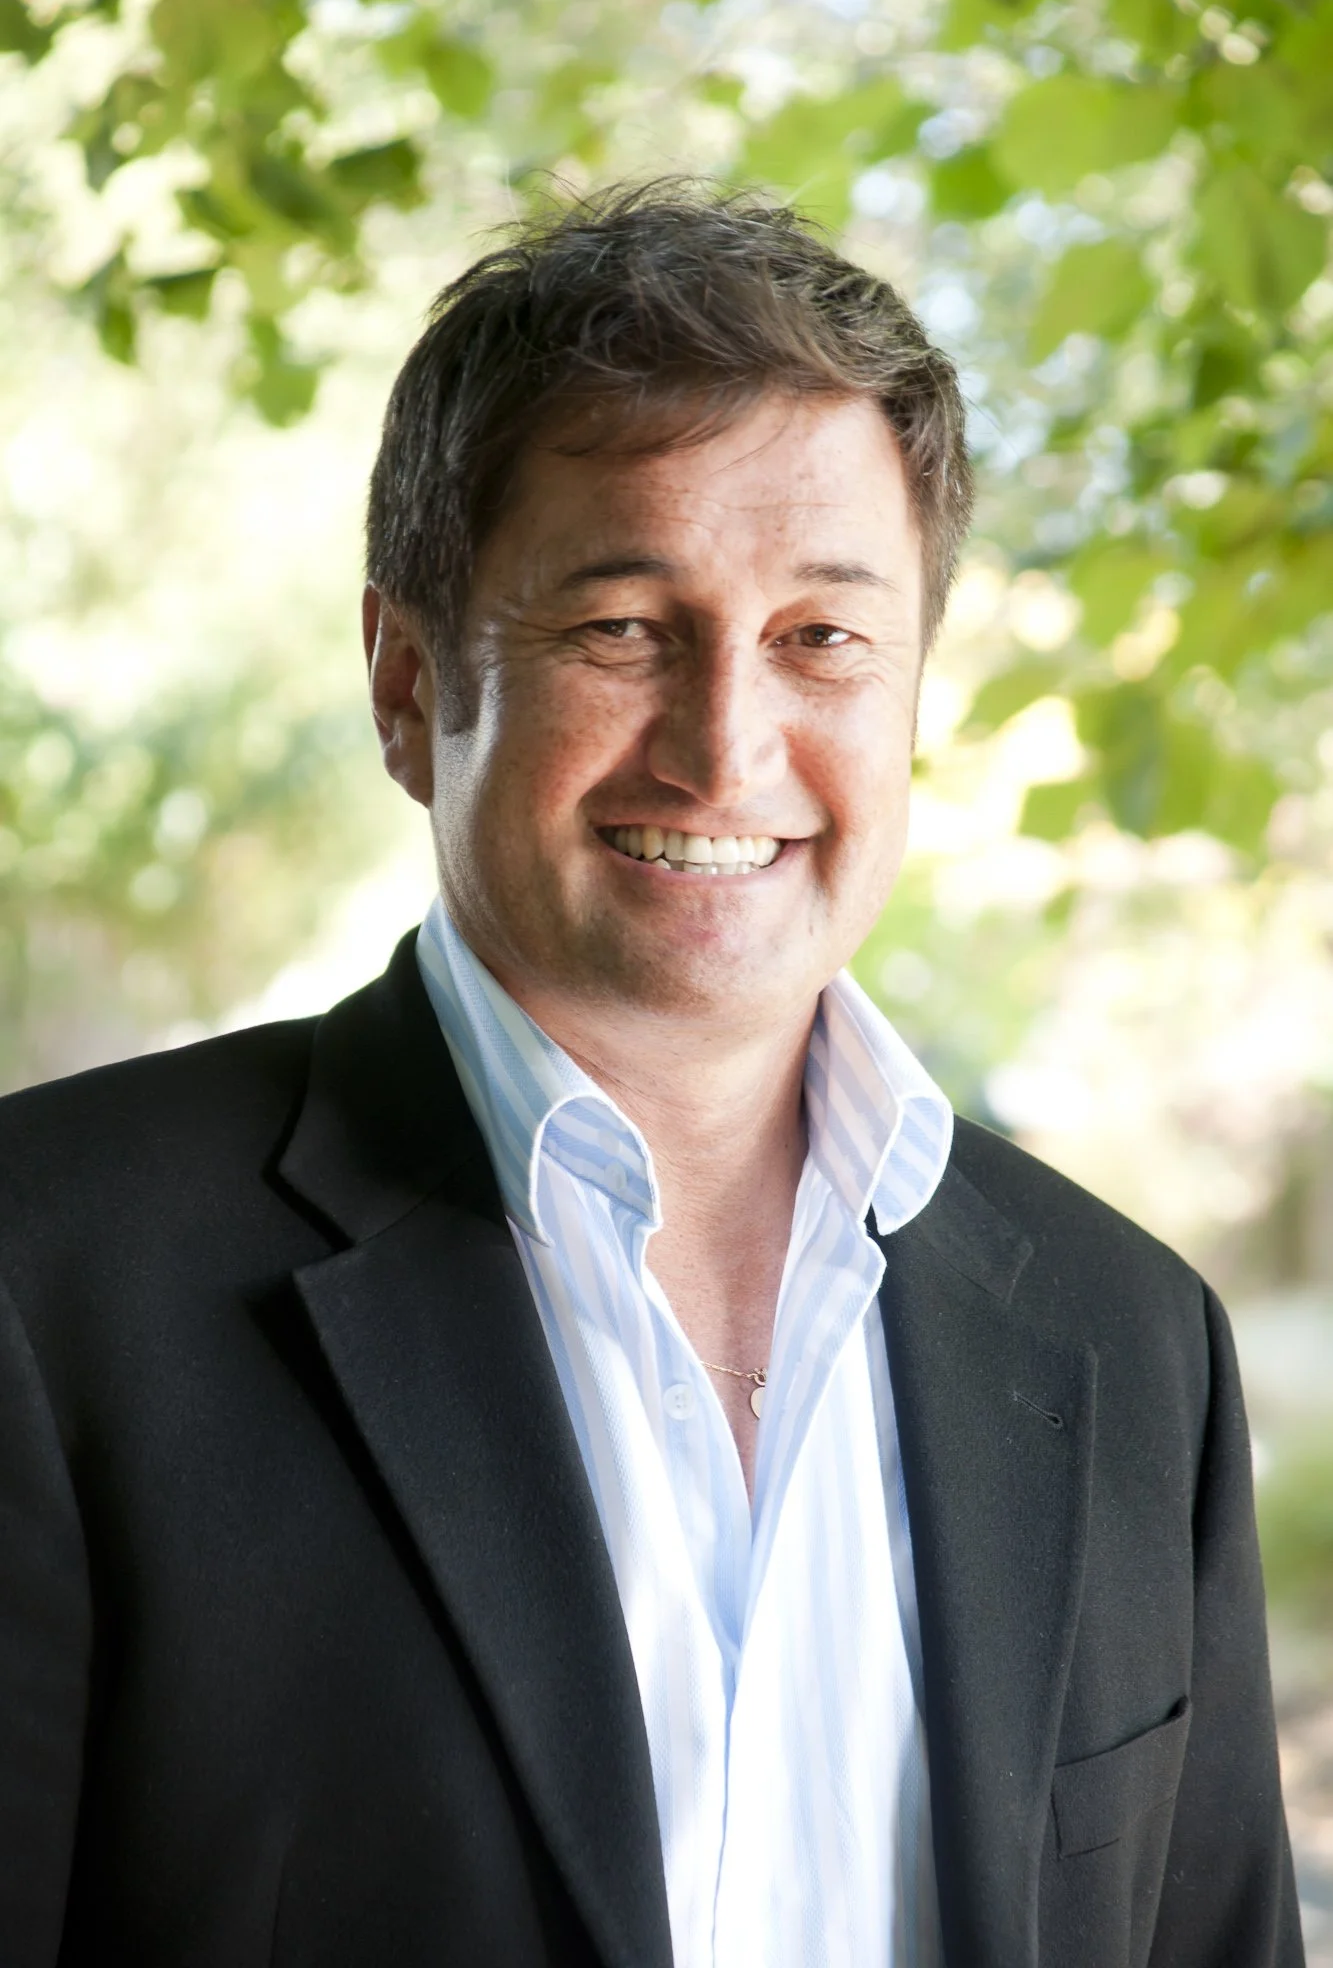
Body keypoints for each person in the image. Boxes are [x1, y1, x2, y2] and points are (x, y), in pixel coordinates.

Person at [0, 184, 1302, 1968]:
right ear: (407, 684)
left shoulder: (1134, 1339)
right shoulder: (48, 1280)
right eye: (623, 626)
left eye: (822, 638)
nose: (724, 748)